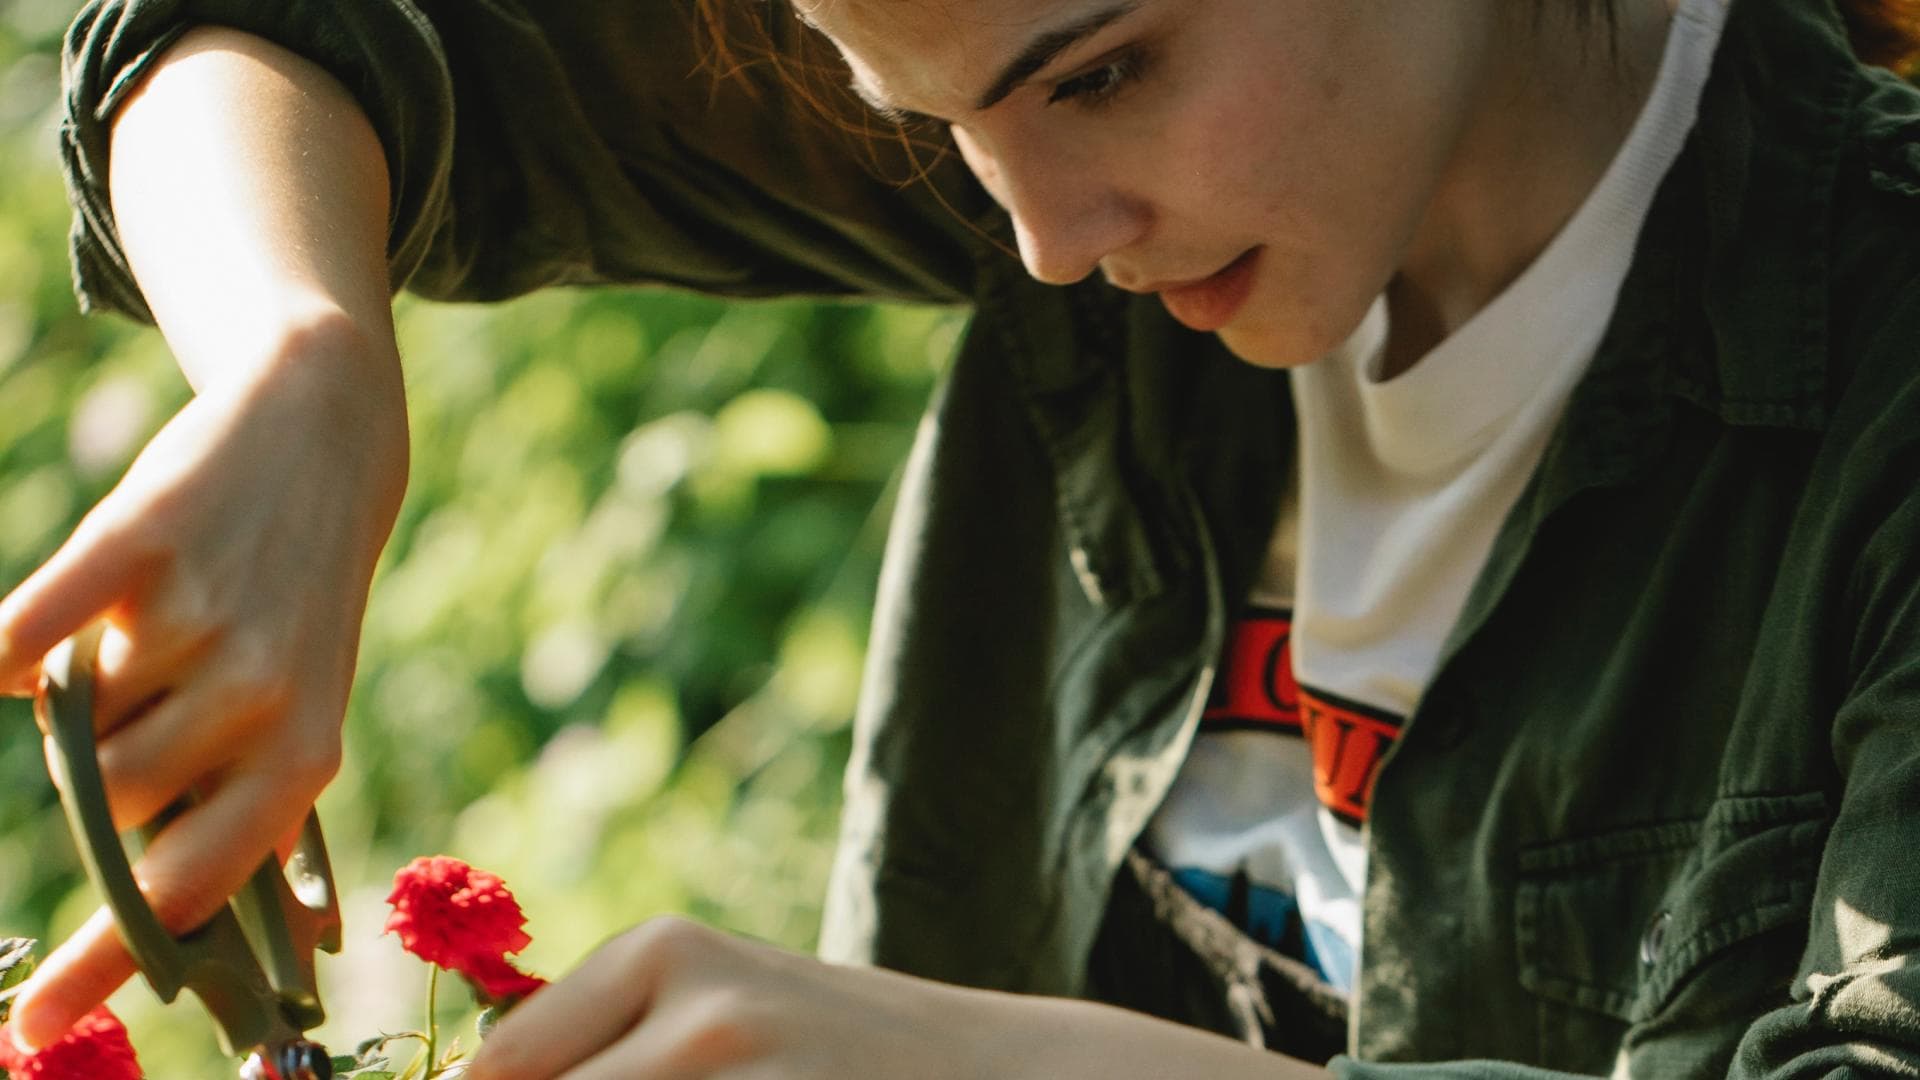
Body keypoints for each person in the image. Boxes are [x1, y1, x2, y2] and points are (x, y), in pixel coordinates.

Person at [4, 0, 1920, 1074]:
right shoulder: (1093, 152)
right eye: (924, 124)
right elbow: (249, 27)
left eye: (1097, 76)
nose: (1044, 247)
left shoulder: (1875, 372)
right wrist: (304, 366)